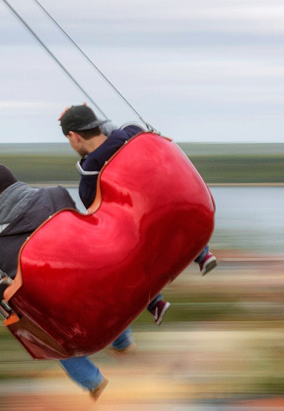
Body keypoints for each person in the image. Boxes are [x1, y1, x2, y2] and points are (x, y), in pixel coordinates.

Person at [0, 163, 129, 402]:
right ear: (16, 182)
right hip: (97, 284)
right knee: (99, 288)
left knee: (46, 331)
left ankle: (93, 381)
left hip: (66, 315)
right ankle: (123, 342)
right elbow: (81, 228)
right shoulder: (56, 194)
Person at [59, 104, 216, 324]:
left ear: (74, 136)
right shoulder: (133, 135)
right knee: (163, 203)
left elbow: (106, 224)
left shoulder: (89, 182)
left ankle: (153, 301)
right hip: (178, 213)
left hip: (148, 241)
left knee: (120, 244)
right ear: (97, 126)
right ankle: (202, 253)